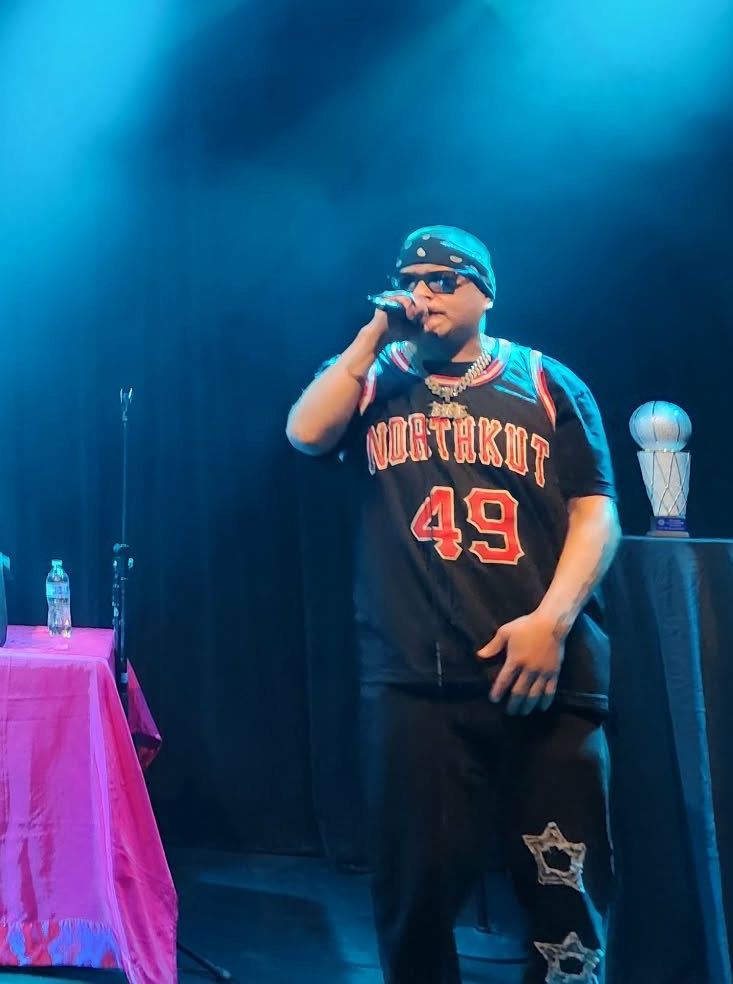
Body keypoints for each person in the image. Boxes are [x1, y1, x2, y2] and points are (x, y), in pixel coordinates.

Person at [285, 226, 621, 984]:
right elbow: (305, 433)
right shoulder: (374, 376)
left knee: (563, 889)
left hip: (546, 671)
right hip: (414, 675)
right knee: (416, 895)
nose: (423, 295)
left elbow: (596, 514)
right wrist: (374, 331)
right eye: (413, 280)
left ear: (485, 292)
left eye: (443, 280)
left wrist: (553, 622)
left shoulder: (545, 381)